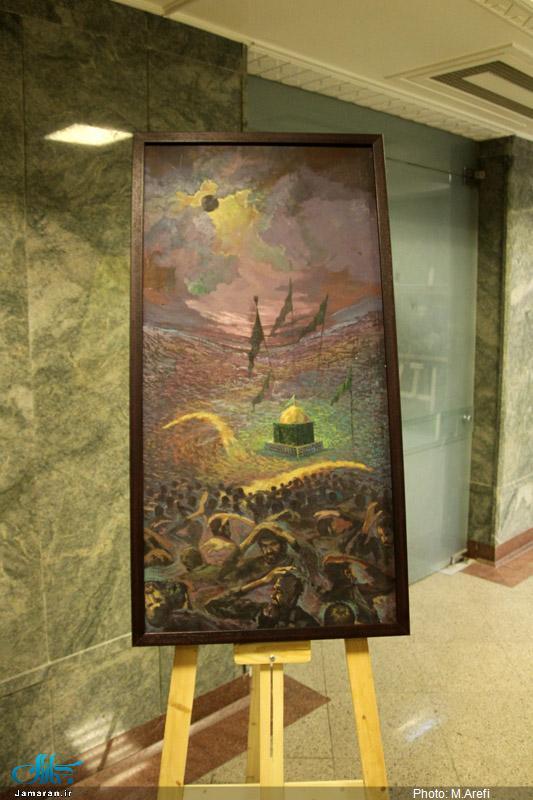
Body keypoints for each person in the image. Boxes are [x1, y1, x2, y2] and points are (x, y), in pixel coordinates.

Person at [206, 568, 318, 629]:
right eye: (274, 589)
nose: (272, 595)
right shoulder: (259, 611)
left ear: (294, 595)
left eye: (280, 592)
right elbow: (212, 605)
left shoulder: (307, 623)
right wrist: (262, 581)